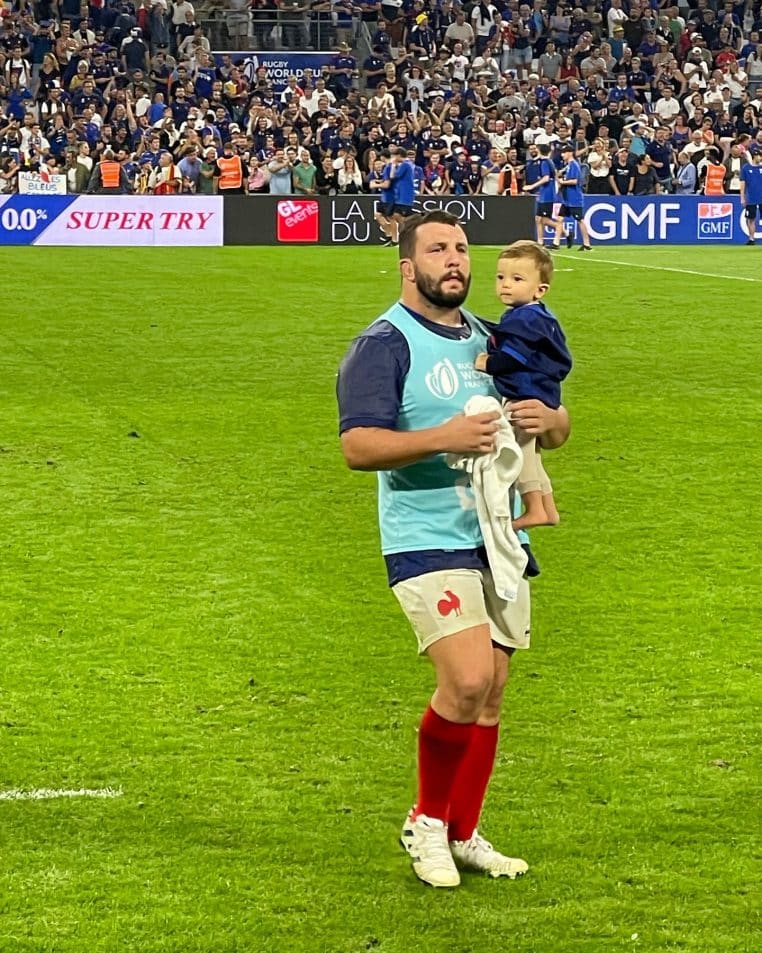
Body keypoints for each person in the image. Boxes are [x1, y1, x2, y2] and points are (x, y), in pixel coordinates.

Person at [337, 210, 570, 889]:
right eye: (438, 248)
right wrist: (445, 437)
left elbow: (554, 430)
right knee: (466, 679)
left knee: (491, 692)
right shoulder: (383, 344)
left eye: (463, 248)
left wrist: (551, 417)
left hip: (498, 535)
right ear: (408, 267)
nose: (456, 259)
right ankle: (427, 822)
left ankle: (464, 832)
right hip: (425, 534)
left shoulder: (496, 338)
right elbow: (358, 446)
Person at [474, 241, 571, 529]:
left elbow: (513, 358)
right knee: (533, 454)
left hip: (525, 395)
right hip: (541, 392)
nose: (505, 284)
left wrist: (487, 363)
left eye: (517, 279)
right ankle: (548, 509)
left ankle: (534, 509)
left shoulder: (526, 319)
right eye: (500, 277)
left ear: (540, 290)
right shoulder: (536, 314)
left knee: (521, 451)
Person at [554, 143, 593, 252]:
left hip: (574, 198)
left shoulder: (574, 165)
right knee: (560, 218)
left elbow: (575, 181)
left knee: (580, 220)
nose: (562, 155)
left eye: (564, 153)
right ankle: (556, 243)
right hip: (566, 199)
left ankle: (587, 244)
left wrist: (562, 182)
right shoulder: (568, 166)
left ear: (570, 153)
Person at [523, 143, 562, 249]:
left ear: (539, 150)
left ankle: (561, 231)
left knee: (544, 219)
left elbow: (546, 178)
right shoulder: (549, 161)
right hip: (545, 193)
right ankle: (540, 242)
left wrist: (531, 186)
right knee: (538, 218)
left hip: (547, 195)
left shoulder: (544, 162)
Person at [740, 145, 762, 245]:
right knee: (751, 219)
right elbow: (743, 183)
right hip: (751, 198)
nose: (760, 158)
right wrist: (742, 197)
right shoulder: (746, 168)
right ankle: (751, 239)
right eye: (759, 156)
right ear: (754, 156)